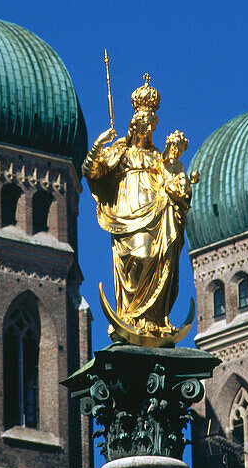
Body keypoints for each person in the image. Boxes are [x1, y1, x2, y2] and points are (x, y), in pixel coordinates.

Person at [82, 76, 195, 340]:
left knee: (159, 259)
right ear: (135, 125)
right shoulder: (120, 152)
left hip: (156, 214)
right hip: (128, 215)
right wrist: (99, 144)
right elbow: (92, 172)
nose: (149, 129)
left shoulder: (158, 157)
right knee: (140, 256)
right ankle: (131, 315)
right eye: (145, 124)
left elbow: (172, 182)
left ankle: (152, 319)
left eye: (152, 125)